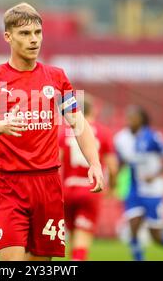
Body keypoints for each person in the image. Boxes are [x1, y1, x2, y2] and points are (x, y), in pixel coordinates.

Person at [0, 3, 105, 261]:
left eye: (37, 32)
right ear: (7, 36)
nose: (34, 40)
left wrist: (95, 163)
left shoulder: (57, 76)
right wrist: (2, 125)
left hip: (48, 185)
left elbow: (78, 123)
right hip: (9, 185)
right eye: (25, 34)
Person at [113, 105, 163, 261]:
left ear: (141, 119)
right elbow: (122, 162)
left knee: (156, 236)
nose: (129, 120)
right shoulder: (121, 139)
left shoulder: (153, 137)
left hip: (154, 191)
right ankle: (139, 258)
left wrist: (155, 175)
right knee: (133, 225)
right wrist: (112, 180)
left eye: (133, 117)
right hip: (134, 190)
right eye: (128, 117)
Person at [59, 94, 119, 261]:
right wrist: (112, 187)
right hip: (90, 189)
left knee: (73, 237)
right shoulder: (104, 132)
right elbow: (113, 167)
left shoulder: (65, 132)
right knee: (82, 241)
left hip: (68, 190)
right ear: (94, 110)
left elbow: (56, 161)